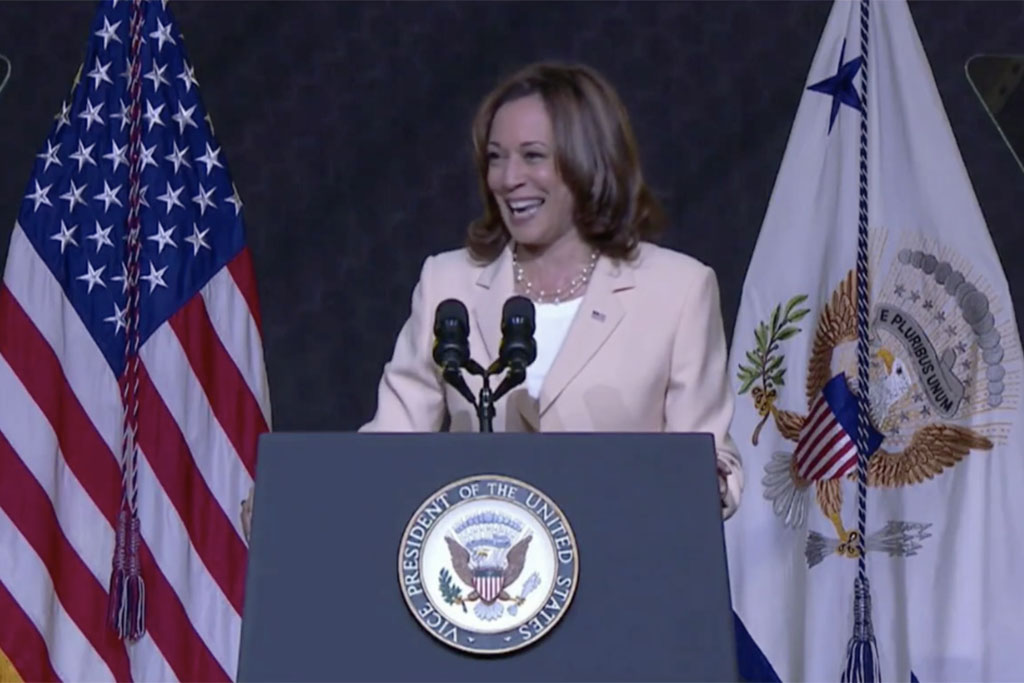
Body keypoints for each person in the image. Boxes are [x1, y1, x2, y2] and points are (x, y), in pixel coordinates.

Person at [358, 61, 744, 519]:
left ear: (589, 162)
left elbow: (710, 456)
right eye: (496, 157)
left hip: (623, 565)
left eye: (532, 155)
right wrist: (304, 499)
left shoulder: (678, 290)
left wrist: (710, 483)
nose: (507, 178)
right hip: (483, 570)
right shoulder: (448, 283)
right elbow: (387, 446)